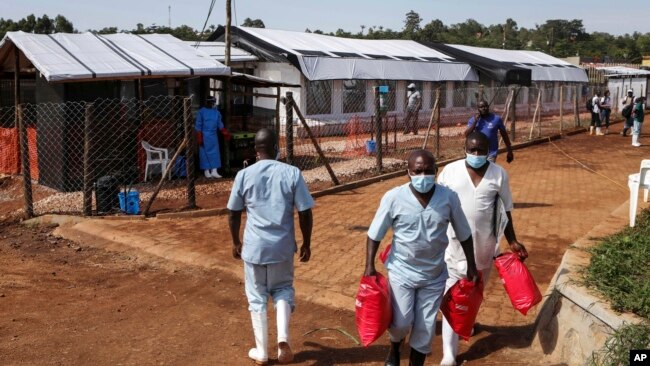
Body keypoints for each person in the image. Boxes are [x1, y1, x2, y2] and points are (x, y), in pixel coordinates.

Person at [364, 149, 478, 366]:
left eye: (428, 171)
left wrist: (471, 265)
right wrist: (368, 266)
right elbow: (374, 234)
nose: (423, 176)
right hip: (401, 272)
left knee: (424, 330)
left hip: (433, 276)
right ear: (408, 172)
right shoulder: (393, 198)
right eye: (418, 171)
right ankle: (395, 348)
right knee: (401, 323)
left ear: (435, 171)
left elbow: (464, 233)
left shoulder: (448, 198)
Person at [437, 131, 528, 366]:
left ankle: (466, 324)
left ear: (489, 151)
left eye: (481, 150)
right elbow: (436, 207)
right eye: (472, 149)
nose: (476, 154)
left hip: (485, 249)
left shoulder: (498, 175)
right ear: (464, 148)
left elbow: (505, 210)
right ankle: (449, 352)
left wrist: (513, 241)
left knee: (473, 294)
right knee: (453, 298)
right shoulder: (450, 172)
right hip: (454, 248)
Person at [227, 128, 314, 365]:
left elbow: (233, 212)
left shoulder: (244, 175)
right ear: (277, 147)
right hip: (282, 247)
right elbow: (305, 212)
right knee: (283, 289)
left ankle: (262, 351)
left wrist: (236, 241)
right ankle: (283, 338)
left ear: (256, 150)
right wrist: (306, 242)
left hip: (255, 248)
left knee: (257, 297)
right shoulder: (292, 173)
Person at [195, 96, 231, 179]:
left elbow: (219, 123)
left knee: (215, 153)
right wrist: (199, 136)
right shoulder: (201, 112)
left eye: (213, 103)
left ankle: (214, 171)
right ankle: (206, 171)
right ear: (207, 102)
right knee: (204, 154)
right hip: (204, 135)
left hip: (213, 136)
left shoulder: (216, 112)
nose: (212, 104)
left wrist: (224, 132)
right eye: (210, 102)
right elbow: (198, 124)